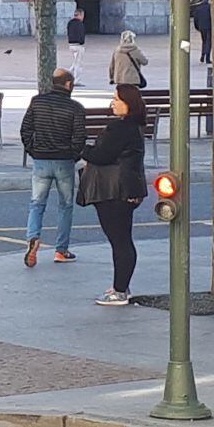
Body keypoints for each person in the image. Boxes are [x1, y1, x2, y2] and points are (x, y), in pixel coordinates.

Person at [79, 84, 148, 306]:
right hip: (125, 189)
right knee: (122, 240)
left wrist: (82, 149)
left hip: (113, 190)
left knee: (119, 241)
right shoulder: (134, 127)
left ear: (129, 103)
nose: (113, 102)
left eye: (117, 99)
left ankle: (119, 291)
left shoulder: (120, 129)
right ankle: (121, 285)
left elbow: (102, 155)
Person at [20, 68, 86, 267]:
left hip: (41, 160)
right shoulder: (76, 108)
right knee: (65, 206)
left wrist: (33, 150)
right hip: (64, 161)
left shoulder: (37, 101)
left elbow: (25, 129)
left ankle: (33, 237)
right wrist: (73, 156)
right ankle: (61, 250)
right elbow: (79, 137)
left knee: (37, 203)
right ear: (68, 84)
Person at [67, 9, 86, 86]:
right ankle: (76, 80)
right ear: (80, 15)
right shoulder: (80, 24)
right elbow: (82, 35)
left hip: (71, 45)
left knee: (74, 63)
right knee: (78, 64)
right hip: (78, 45)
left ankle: (68, 75)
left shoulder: (70, 23)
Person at [193, 0, 212, 64]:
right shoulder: (210, 8)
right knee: (208, 42)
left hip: (201, 28)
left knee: (204, 42)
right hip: (209, 27)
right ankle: (207, 58)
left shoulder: (198, 8)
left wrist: (197, 27)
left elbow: (196, 19)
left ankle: (202, 56)